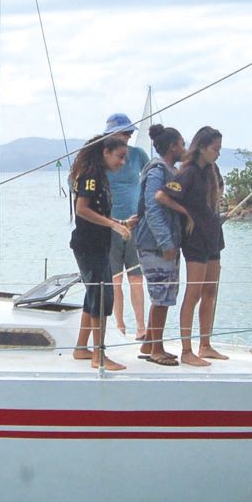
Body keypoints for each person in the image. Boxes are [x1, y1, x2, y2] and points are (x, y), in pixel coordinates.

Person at [69, 134, 133, 372]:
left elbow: (97, 213)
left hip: (97, 243)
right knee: (102, 296)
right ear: (106, 152)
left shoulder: (98, 176)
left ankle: (81, 348)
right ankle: (99, 355)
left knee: (93, 294)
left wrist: (121, 222)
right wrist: (113, 226)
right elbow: (82, 210)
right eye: (120, 156)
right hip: (89, 245)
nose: (123, 162)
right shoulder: (91, 177)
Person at [134, 125, 193, 366]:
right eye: (181, 144)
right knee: (161, 295)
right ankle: (156, 349)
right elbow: (152, 207)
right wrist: (166, 242)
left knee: (166, 293)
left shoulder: (171, 170)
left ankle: (150, 342)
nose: (184, 148)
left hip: (162, 242)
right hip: (154, 244)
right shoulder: (158, 170)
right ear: (172, 147)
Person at [167, 126, 227, 362]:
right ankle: (186, 350)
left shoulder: (212, 170)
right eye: (215, 149)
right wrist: (187, 215)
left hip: (213, 234)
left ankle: (206, 343)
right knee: (193, 292)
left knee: (210, 291)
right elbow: (164, 196)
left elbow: (218, 191)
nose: (218, 153)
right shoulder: (188, 172)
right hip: (195, 239)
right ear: (202, 147)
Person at [101, 112, 149, 336]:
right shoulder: (102, 157)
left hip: (135, 223)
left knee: (137, 278)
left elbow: (153, 177)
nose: (129, 136)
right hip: (110, 224)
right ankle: (119, 326)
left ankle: (141, 327)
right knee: (115, 279)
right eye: (125, 132)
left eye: (130, 133)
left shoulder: (138, 155)